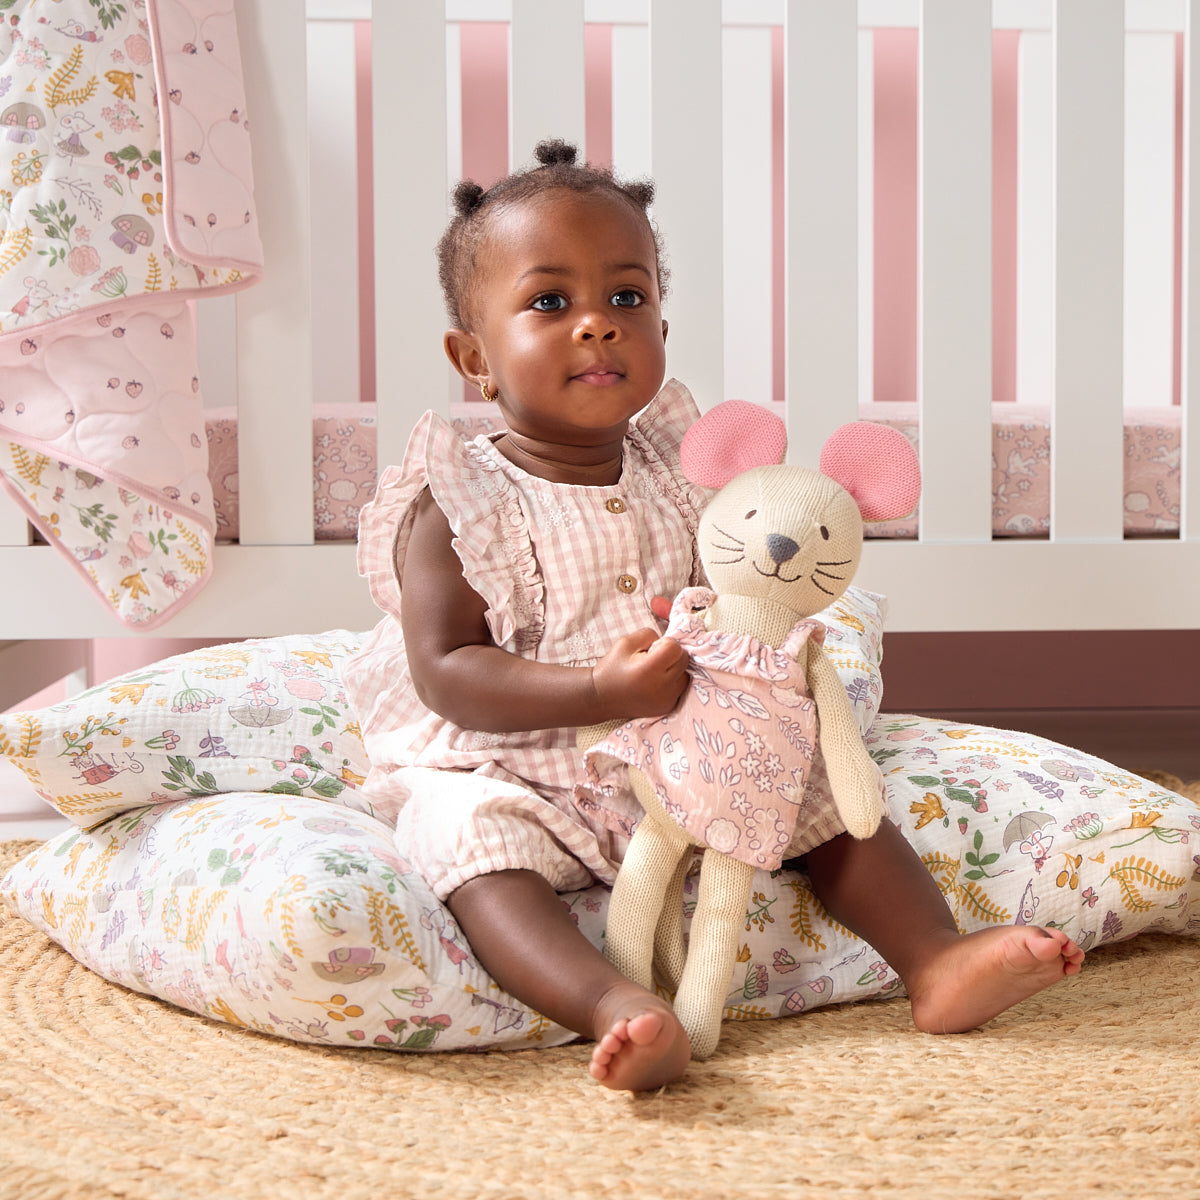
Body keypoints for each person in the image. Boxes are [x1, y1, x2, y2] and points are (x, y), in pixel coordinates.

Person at [343, 140, 1084, 1093]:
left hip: (680, 753)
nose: (597, 328)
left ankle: (935, 958)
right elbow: (447, 668)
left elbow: (741, 592)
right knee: (467, 843)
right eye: (548, 302)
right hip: (514, 759)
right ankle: (618, 1006)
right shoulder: (461, 501)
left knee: (822, 797)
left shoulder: (683, 472)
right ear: (474, 359)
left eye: (626, 298)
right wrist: (595, 688)